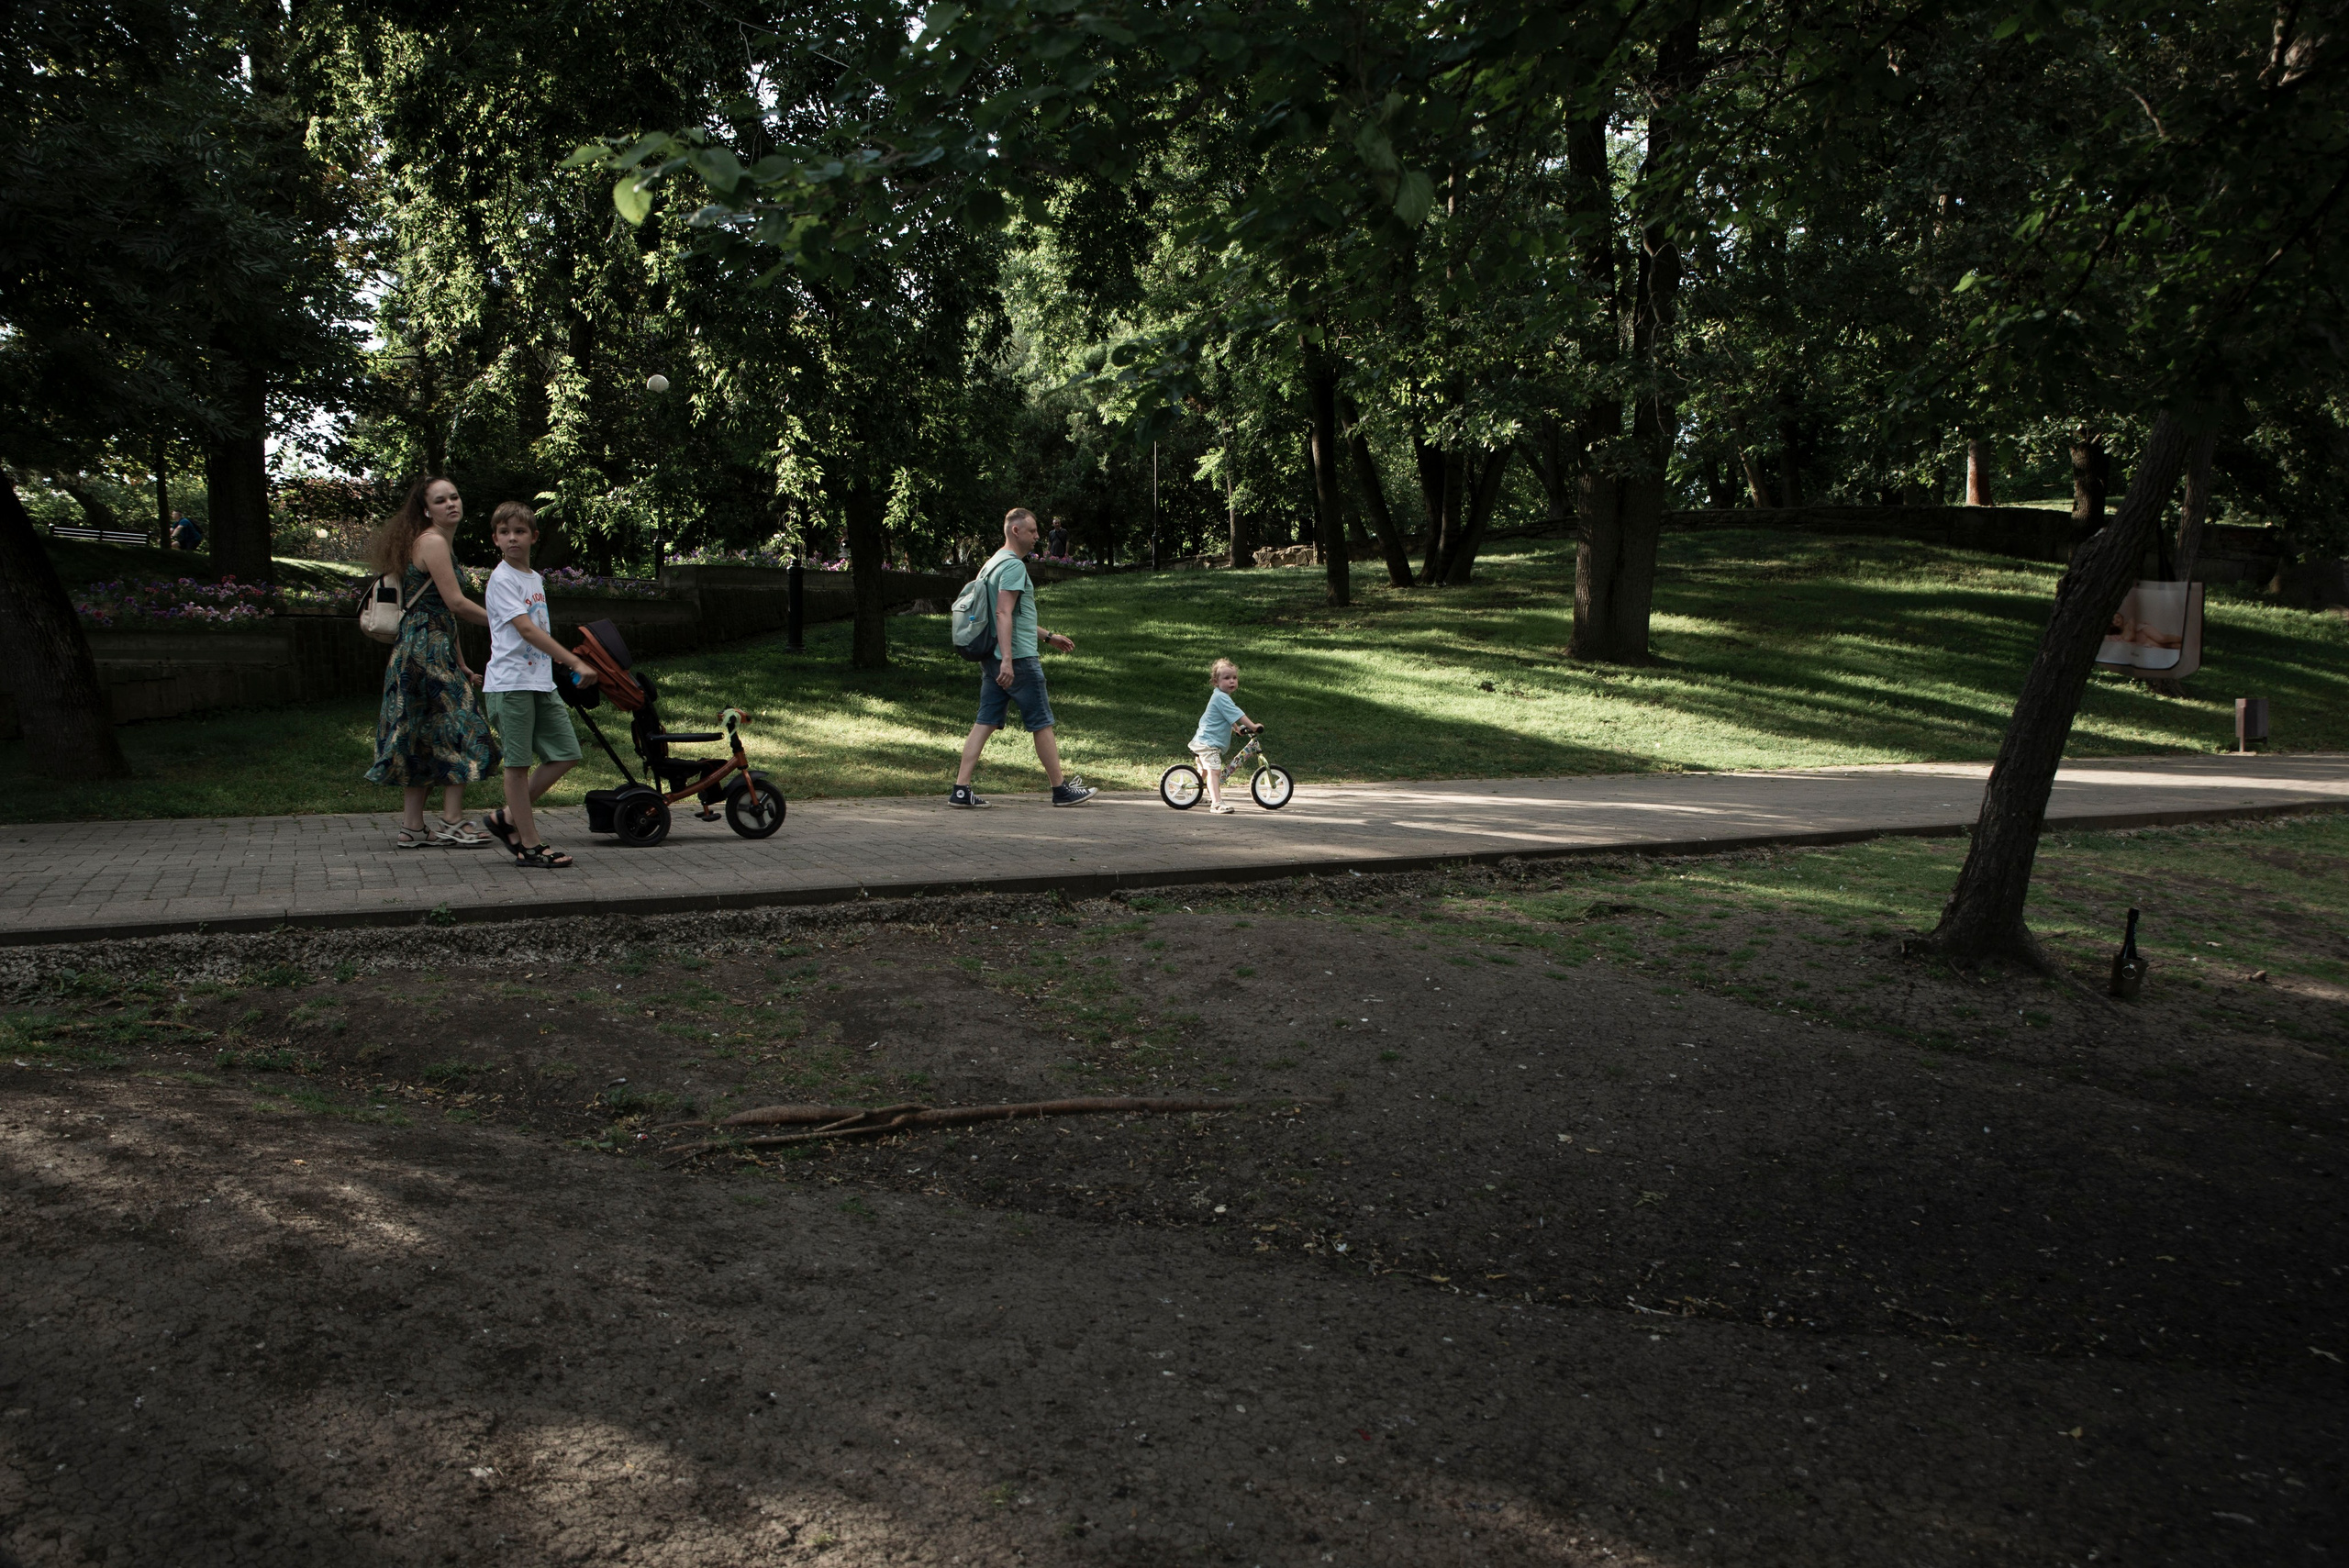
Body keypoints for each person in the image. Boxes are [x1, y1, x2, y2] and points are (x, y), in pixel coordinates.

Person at [362, 475, 500, 848]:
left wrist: (461, 662)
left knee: (421, 736)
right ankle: (452, 821)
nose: (451, 503)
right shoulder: (434, 542)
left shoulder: (432, 541)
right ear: (426, 510)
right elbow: (455, 603)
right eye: (440, 500)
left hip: (421, 650)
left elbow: (441, 612)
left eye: (454, 496)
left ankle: (412, 828)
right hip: (426, 653)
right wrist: (508, 621)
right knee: (464, 728)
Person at [477, 502, 600, 869]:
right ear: (496, 539)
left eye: (519, 532)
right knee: (517, 766)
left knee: (566, 753)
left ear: (533, 536)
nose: (512, 538)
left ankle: (506, 817)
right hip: (510, 684)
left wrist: (554, 666)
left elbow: (537, 630)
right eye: (504, 533)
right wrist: (573, 661)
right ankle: (529, 845)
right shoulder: (502, 579)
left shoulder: (533, 578)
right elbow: (527, 630)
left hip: (539, 682)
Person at [950, 506, 1095, 808]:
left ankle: (961, 790)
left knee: (985, 721)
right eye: (1032, 531)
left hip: (994, 657)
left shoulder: (991, 564)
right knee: (1042, 722)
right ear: (1016, 531)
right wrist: (1008, 659)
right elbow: (1002, 613)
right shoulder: (1014, 566)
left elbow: (1011, 616)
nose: (1037, 536)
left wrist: (1048, 637)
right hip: (1016, 659)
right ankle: (1061, 790)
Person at [1189, 657, 1260, 814]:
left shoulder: (1220, 696)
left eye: (1234, 677)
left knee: (1204, 771)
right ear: (1216, 682)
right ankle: (1216, 803)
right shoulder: (1221, 697)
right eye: (1227, 678)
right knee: (1214, 771)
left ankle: (1194, 795)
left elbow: (1228, 716)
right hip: (1208, 744)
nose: (1232, 681)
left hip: (1203, 741)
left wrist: (1236, 728)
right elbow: (1237, 714)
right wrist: (1253, 726)